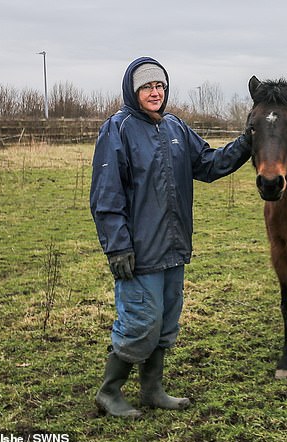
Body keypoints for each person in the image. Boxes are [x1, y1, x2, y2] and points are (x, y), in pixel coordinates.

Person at [89, 56, 251, 418]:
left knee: (165, 324)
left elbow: (209, 164)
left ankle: (152, 389)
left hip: (174, 248)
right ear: (133, 90)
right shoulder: (117, 130)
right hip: (140, 251)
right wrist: (117, 246)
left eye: (159, 85)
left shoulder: (176, 128)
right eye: (147, 86)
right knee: (139, 323)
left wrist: (247, 142)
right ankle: (109, 391)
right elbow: (106, 196)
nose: (154, 92)